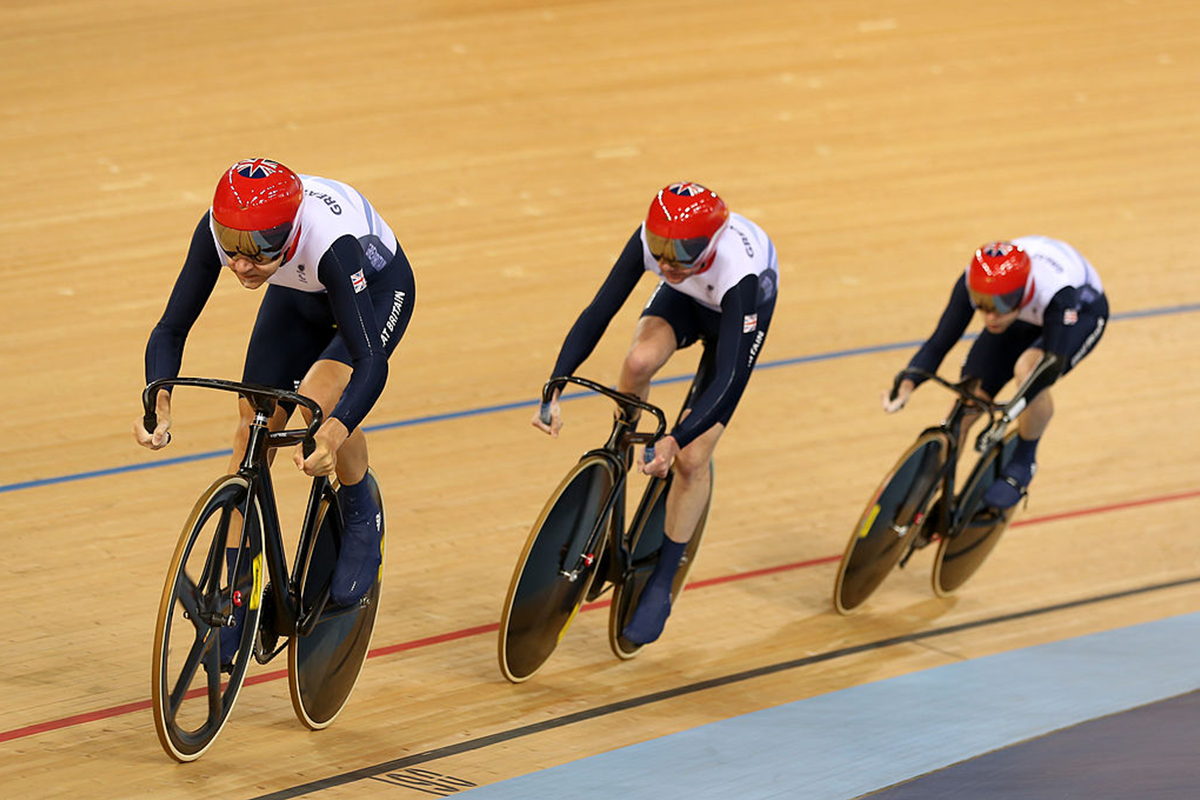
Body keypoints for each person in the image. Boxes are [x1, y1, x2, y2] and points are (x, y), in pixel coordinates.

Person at [134, 158, 415, 663]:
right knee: (251, 430)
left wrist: (332, 435)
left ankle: (360, 512)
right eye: (232, 247)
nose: (242, 264)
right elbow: (170, 327)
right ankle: (241, 599)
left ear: (289, 234)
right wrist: (158, 395)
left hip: (371, 291)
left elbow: (371, 363)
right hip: (299, 295)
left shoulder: (330, 242)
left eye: (259, 251)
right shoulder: (229, 234)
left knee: (322, 395)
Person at [532, 181, 779, 644]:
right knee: (637, 362)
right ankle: (622, 444)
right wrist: (556, 382)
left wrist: (676, 438)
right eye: (660, 248)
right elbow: (600, 310)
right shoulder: (658, 243)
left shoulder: (738, 271)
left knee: (691, 459)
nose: (665, 261)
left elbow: (727, 378)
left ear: (708, 244)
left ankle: (662, 581)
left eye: (679, 251)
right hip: (688, 299)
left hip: (737, 313)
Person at [883, 237, 1107, 508]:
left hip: (1080, 314)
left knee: (1027, 371)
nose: (990, 316)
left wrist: (1007, 418)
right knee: (968, 403)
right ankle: (923, 500)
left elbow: (1051, 366)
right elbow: (939, 342)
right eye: (982, 303)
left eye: (1001, 304)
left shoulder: (1057, 293)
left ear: (1022, 291)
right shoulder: (974, 282)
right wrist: (908, 382)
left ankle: (1024, 461)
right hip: (1021, 317)